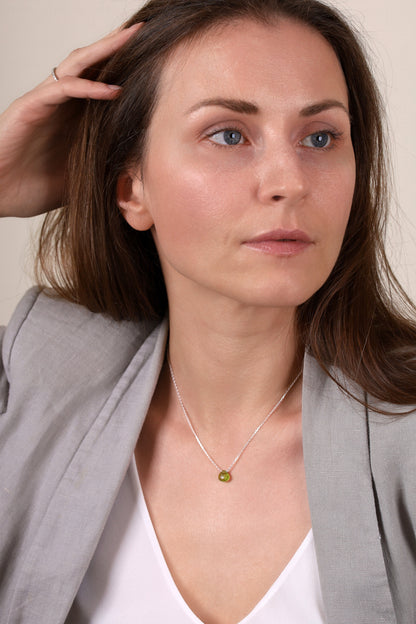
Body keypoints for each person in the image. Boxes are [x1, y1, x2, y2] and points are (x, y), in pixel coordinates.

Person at [0, 0, 415, 622]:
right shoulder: (33, 383)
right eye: (228, 135)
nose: (289, 181)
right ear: (131, 188)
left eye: (320, 137)